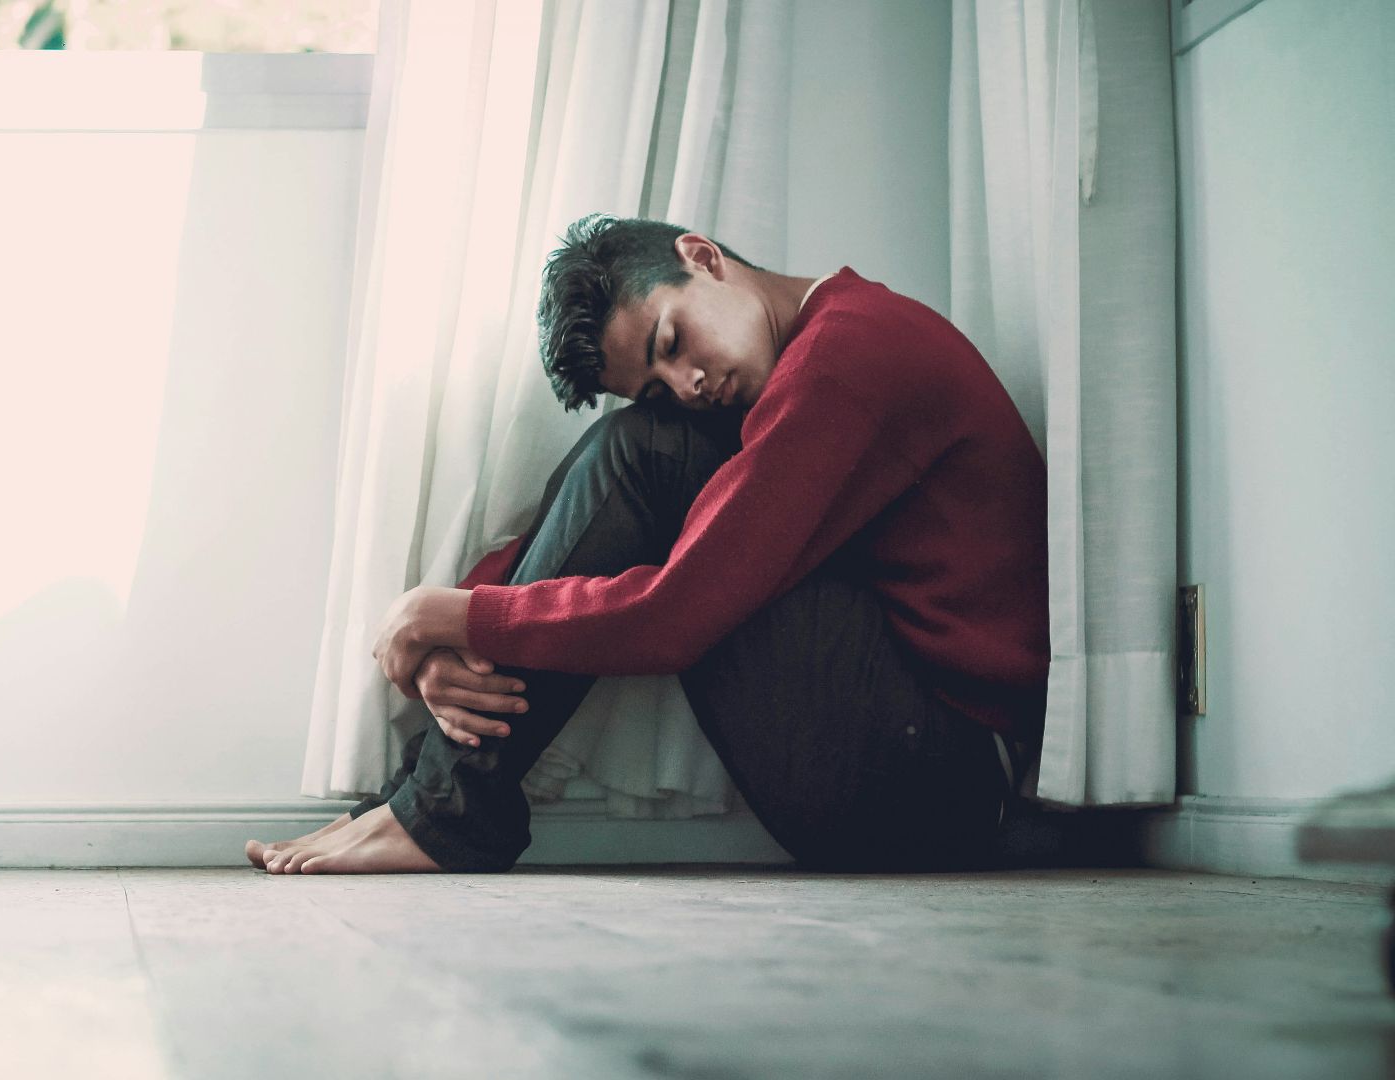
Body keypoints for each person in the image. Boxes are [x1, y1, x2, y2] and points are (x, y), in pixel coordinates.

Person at [247, 214, 1048, 875]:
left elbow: (677, 615)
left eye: (672, 340)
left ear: (702, 258)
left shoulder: (848, 359)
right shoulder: (807, 362)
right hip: (905, 754)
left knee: (645, 451)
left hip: (941, 783)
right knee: (641, 442)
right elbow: (593, 526)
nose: (691, 384)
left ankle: (441, 812)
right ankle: (429, 801)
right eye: (662, 379)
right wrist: (447, 627)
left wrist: (452, 618)